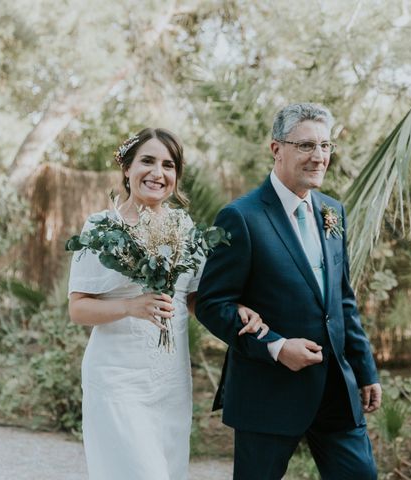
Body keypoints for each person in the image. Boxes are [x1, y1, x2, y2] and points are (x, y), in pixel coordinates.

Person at [67, 127, 267, 480]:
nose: (158, 173)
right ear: (127, 168)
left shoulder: (184, 226)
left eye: (168, 165)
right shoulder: (101, 226)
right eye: (147, 161)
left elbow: (195, 299)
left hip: (171, 381)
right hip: (117, 379)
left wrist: (235, 310)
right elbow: (78, 308)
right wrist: (132, 306)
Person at [195, 103, 382, 479]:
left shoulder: (333, 211)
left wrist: (365, 369)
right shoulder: (241, 217)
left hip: (334, 389)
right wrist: (278, 347)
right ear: (276, 149)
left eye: (325, 146)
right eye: (306, 146)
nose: (319, 157)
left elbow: (342, 299)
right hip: (268, 393)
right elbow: (212, 303)